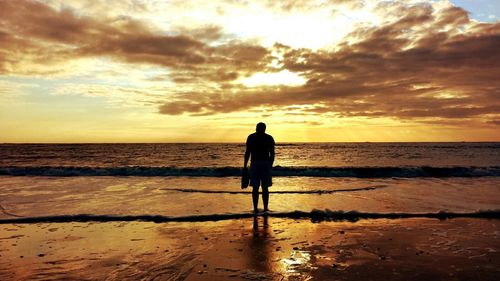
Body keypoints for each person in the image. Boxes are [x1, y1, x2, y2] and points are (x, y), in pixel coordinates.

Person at [243, 122, 275, 213]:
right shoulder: (269, 138)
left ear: (256, 128)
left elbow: (247, 153)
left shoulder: (251, 137)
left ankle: (256, 208)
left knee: (255, 187)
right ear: (265, 129)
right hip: (265, 163)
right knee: (265, 187)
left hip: (255, 163)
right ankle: (265, 208)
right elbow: (272, 154)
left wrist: (245, 166)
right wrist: (270, 165)